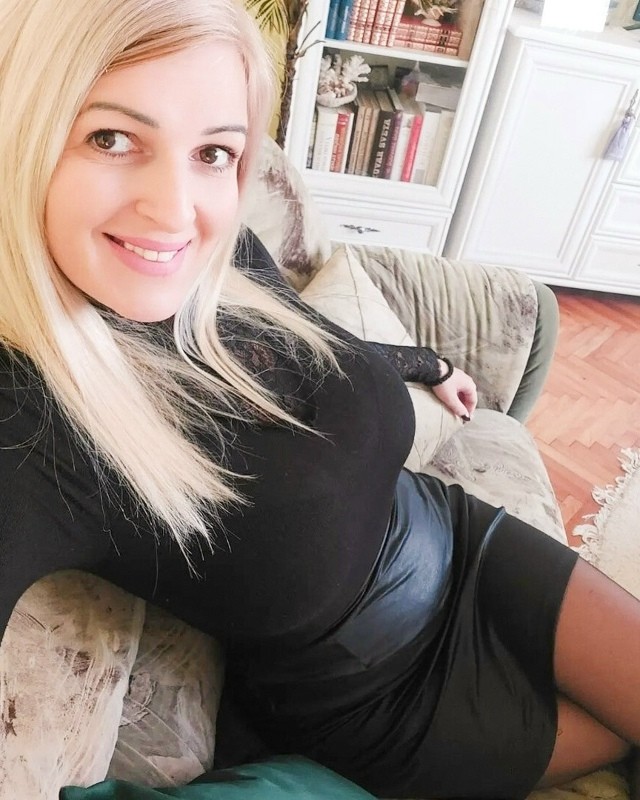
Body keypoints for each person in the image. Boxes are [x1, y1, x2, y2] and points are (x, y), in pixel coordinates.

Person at [0, 0, 639, 798]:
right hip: (398, 701)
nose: (175, 208)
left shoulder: (219, 254)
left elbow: (319, 352)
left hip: (462, 534)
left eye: (212, 152)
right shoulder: (27, 419)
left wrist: (430, 364)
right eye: (111, 138)